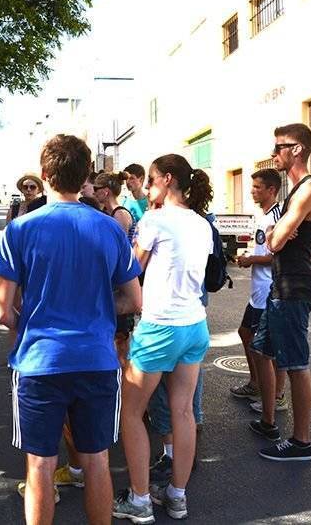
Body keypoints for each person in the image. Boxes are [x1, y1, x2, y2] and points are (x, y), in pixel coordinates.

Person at [0, 134, 142, 525]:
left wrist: (33, 323)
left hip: (39, 362)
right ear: (85, 174)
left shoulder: (20, 229)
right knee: (97, 460)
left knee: (39, 465)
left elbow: (2, 311)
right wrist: (101, 316)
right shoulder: (110, 229)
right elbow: (134, 300)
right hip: (96, 360)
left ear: (44, 175)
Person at [114, 155, 213, 523]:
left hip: (159, 327)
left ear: (166, 179)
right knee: (183, 411)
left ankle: (139, 500)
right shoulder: (201, 223)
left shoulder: (155, 219)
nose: (147, 186)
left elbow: (131, 268)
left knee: (130, 411)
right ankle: (177, 496)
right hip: (194, 326)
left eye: (151, 180)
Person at [249, 123, 311, 461]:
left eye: (279, 146)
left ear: (297, 149)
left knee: (296, 364)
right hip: (279, 286)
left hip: (294, 286)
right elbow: (277, 237)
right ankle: (268, 421)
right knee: (262, 349)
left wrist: (282, 232)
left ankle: (301, 442)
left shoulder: (309, 189)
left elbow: (275, 240)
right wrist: (281, 231)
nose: (273, 153)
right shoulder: (292, 192)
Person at [230, 169, 288, 414]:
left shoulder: (277, 216)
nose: (252, 191)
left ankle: (278, 396)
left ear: (271, 190)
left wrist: (251, 259)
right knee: (246, 333)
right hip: (257, 291)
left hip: (269, 291)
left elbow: (276, 256)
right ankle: (256, 383)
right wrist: (250, 257)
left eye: (257, 187)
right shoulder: (261, 215)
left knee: (270, 345)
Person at [94, 171, 136, 243]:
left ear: (106, 191)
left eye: (96, 189)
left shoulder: (120, 215)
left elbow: (120, 246)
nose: (94, 193)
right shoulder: (106, 211)